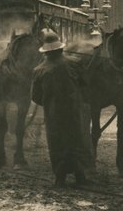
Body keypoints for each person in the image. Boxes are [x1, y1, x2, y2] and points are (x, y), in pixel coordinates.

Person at [31, 31, 92, 187]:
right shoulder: (74, 63)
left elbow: (36, 97)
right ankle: (80, 176)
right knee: (76, 140)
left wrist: (50, 103)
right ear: (60, 49)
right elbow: (85, 84)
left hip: (53, 114)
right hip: (73, 110)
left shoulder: (39, 70)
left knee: (57, 143)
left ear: (46, 51)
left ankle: (60, 177)